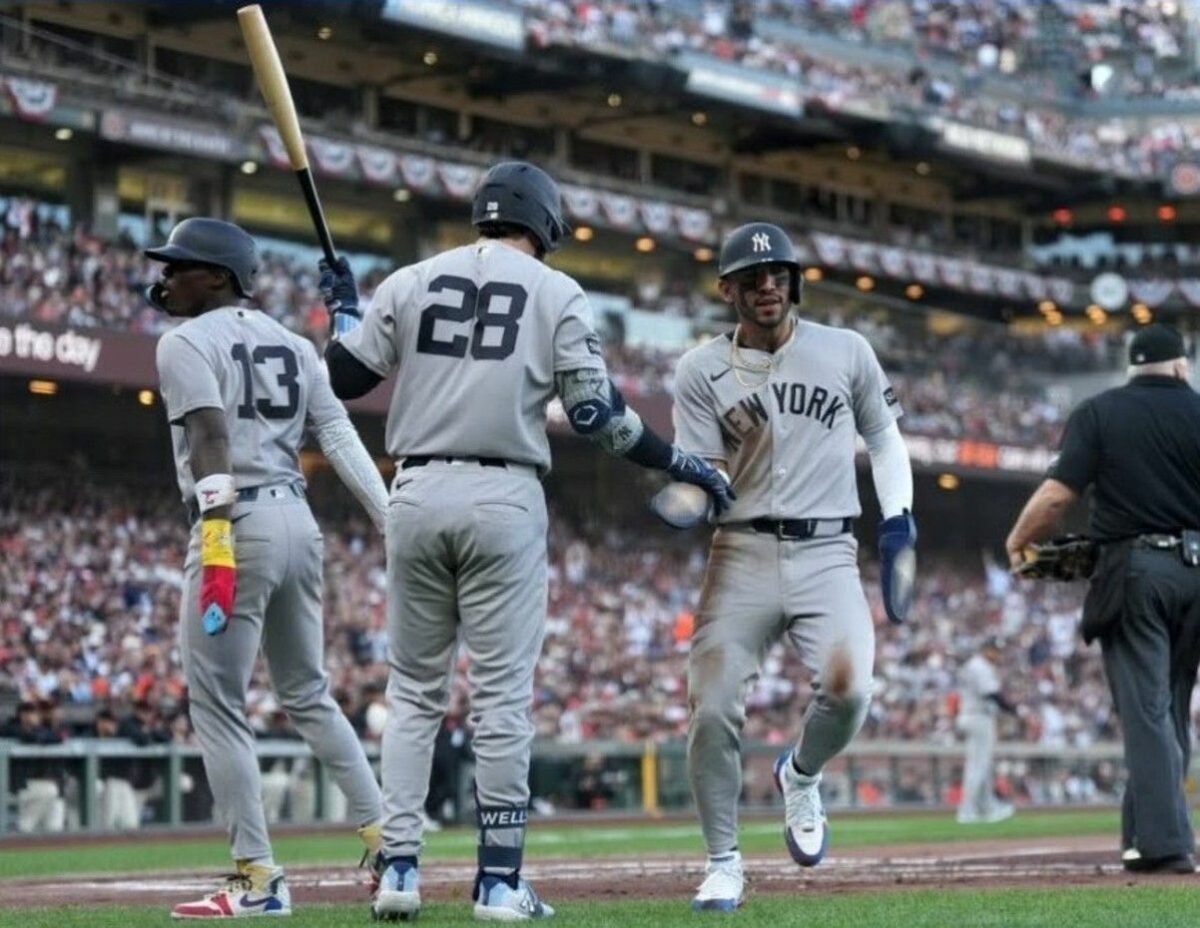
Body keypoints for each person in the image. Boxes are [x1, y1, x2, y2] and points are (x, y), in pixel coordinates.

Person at [323, 160, 733, 921]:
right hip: (502, 491)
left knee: (413, 692)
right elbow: (595, 418)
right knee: (501, 698)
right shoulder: (557, 291)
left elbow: (344, 377)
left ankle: (400, 873)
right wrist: (680, 461)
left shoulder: (412, 279)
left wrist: (343, 313)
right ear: (543, 223)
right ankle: (499, 880)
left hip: (411, 488)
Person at [145, 217, 389, 918]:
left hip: (235, 521)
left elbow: (210, 432)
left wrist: (217, 536)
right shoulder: (293, 342)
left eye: (179, 266)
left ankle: (256, 878)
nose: (164, 277)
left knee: (219, 706)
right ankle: (386, 839)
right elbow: (337, 432)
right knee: (308, 693)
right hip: (296, 521)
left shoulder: (184, 340)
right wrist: (386, 515)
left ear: (219, 276)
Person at [670, 222, 917, 911]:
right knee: (712, 707)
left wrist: (897, 515)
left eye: (778, 273)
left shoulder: (846, 350)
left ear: (795, 280)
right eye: (752, 277)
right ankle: (722, 860)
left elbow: (885, 438)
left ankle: (800, 774)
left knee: (851, 688)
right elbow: (706, 469)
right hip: (740, 550)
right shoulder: (698, 370)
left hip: (829, 548)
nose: (768, 285)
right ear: (728, 290)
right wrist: (688, 492)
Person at [1006, 323, 1200, 875]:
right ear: (1181, 365)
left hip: (1138, 571)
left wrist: (1019, 540)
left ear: (1131, 367)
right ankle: (1142, 838)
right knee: (1170, 710)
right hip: (1197, 574)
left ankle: (1166, 844)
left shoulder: (1100, 412)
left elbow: (1055, 497)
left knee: (1146, 711)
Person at [955, 637, 1017, 824]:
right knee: (978, 765)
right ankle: (967, 810)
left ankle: (986, 807)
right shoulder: (979, 665)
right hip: (977, 716)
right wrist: (1013, 709)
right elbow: (991, 694)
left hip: (976, 715)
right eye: (995, 650)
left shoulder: (980, 665)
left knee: (983, 765)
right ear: (985, 649)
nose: (998, 654)